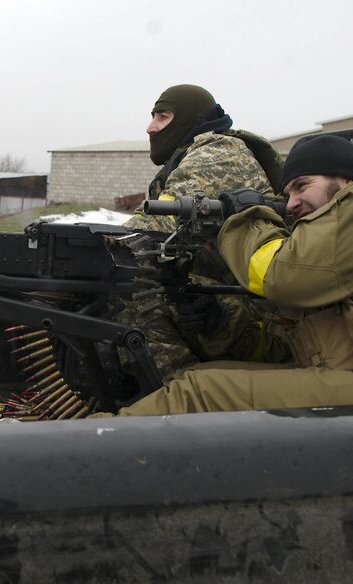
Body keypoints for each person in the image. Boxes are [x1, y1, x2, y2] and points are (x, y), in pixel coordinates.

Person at [114, 134, 353, 416]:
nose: (291, 205)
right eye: (287, 194)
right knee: (199, 378)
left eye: (302, 186)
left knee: (199, 396)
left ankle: (66, 460)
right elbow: (293, 348)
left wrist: (247, 216)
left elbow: (281, 276)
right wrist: (219, 324)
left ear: (345, 181)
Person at [114, 84, 288, 381]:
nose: (150, 127)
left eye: (162, 117)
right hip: (230, 300)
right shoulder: (190, 156)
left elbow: (150, 230)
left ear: (190, 121)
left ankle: (173, 399)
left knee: (133, 290)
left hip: (265, 319)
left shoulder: (219, 153)